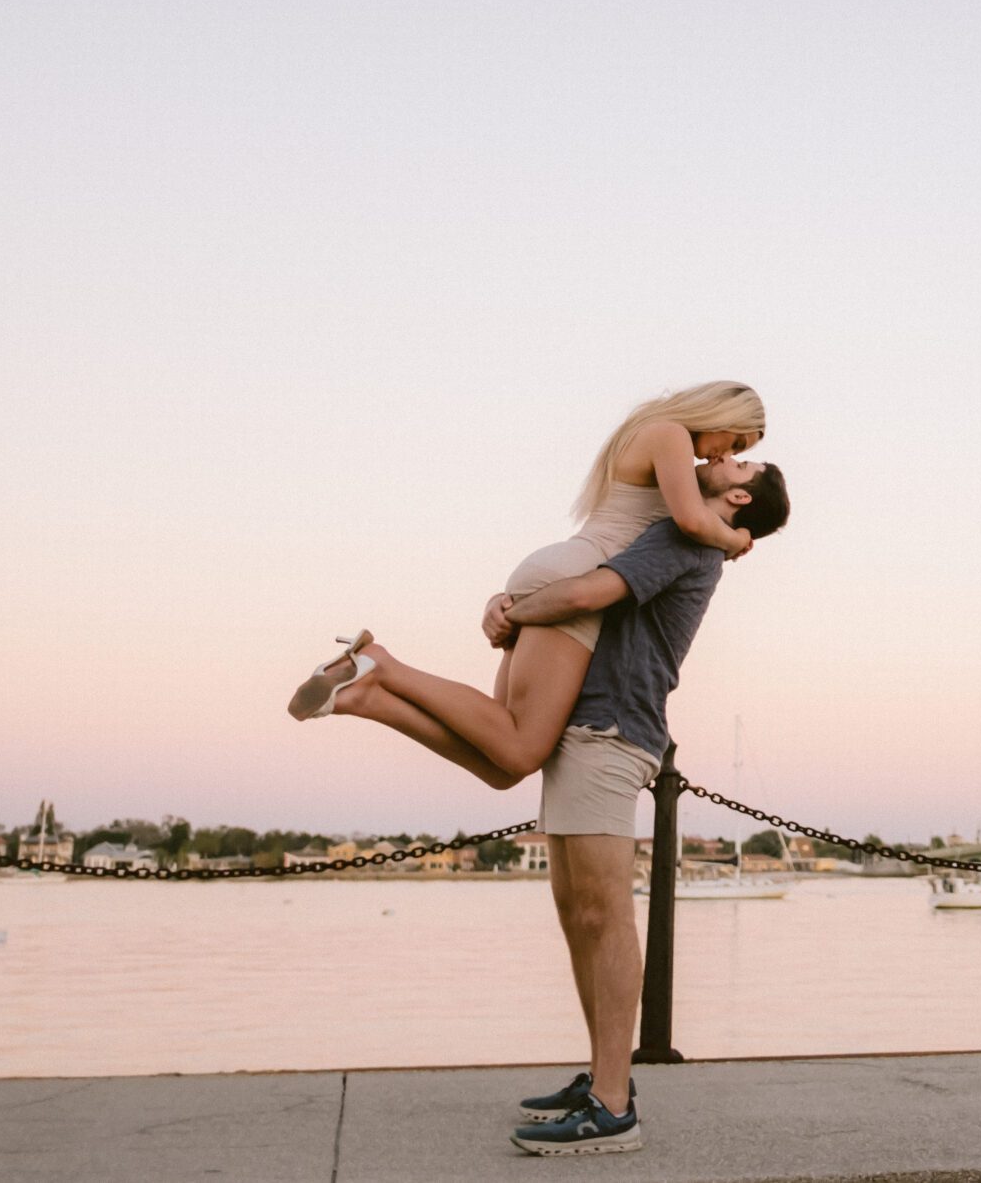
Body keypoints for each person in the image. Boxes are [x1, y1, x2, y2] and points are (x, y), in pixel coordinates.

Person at [300, 463, 790, 1158]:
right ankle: (372, 695)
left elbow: (590, 592)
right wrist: (507, 608)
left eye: (740, 463)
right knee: (566, 893)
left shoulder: (688, 537)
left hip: (610, 728)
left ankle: (612, 1108)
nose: (718, 460)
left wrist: (513, 609)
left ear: (738, 497)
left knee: (603, 916)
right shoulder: (680, 528)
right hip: (583, 723)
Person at [286, 380, 767, 764]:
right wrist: (736, 540)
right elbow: (691, 520)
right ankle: (382, 664)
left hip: (557, 569)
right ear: (721, 413)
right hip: (575, 581)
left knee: (501, 761)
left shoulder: (649, 431)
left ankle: (369, 698)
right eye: (736, 442)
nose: (721, 456)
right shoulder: (671, 434)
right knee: (522, 748)